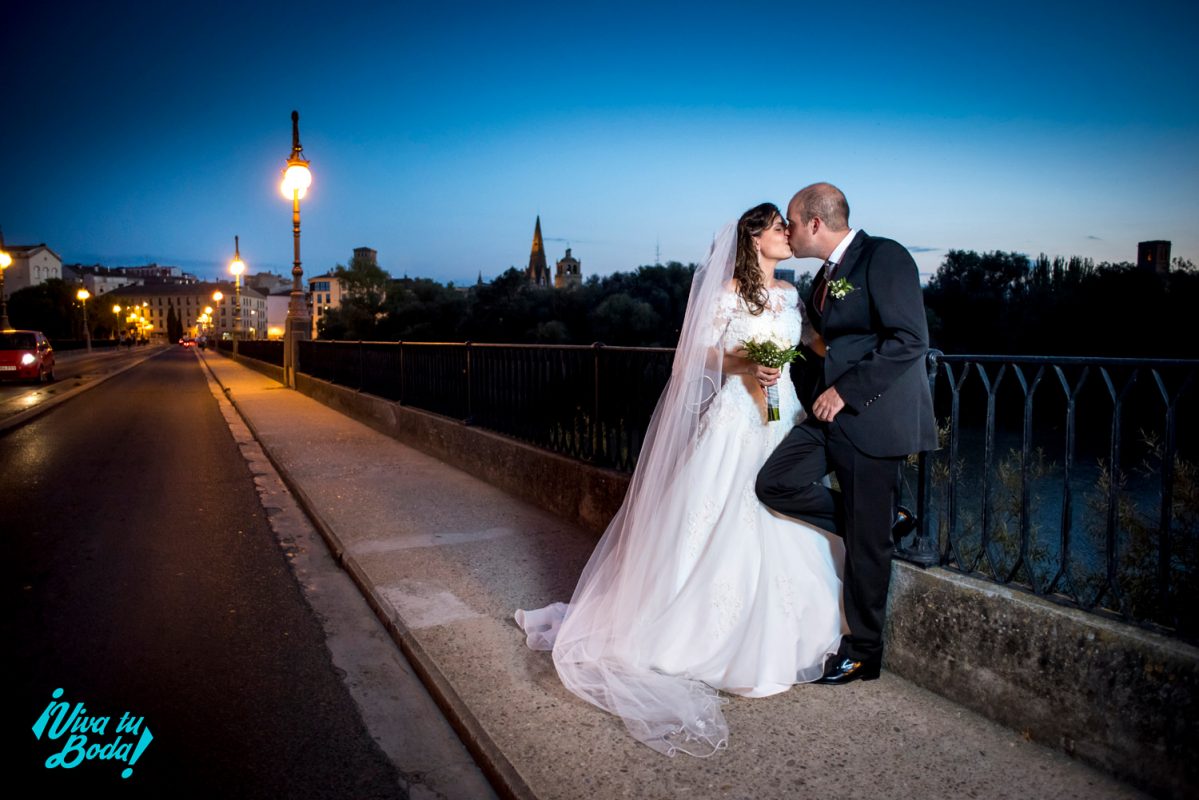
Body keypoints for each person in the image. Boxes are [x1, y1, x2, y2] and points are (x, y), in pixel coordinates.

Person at [516, 203, 844, 757]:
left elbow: (814, 345)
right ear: (753, 238)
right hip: (736, 424)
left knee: (785, 516)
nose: (788, 235)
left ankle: (792, 638)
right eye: (777, 228)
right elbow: (696, 356)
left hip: (783, 421)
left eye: (789, 228)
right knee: (722, 515)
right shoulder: (726, 294)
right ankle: (704, 638)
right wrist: (744, 364)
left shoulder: (791, 296)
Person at [756, 183, 937, 685]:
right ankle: (880, 521)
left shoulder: (884, 256)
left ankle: (863, 651)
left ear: (814, 223)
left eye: (791, 221)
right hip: (829, 414)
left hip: (869, 415)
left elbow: (910, 340)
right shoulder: (824, 278)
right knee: (774, 482)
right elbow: (826, 345)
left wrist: (847, 392)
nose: (787, 230)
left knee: (867, 547)